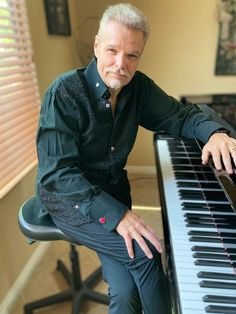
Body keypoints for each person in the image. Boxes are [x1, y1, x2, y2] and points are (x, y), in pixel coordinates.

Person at [35, 3, 236, 314]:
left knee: (127, 291)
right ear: (97, 45)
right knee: (146, 253)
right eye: (112, 50)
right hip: (70, 199)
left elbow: (180, 116)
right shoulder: (63, 93)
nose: (120, 65)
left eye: (132, 55)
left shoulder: (137, 88)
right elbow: (58, 176)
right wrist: (118, 216)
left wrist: (215, 134)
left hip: (111, 191)